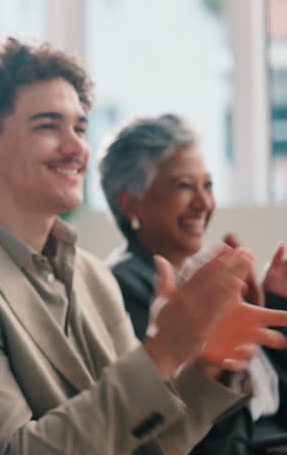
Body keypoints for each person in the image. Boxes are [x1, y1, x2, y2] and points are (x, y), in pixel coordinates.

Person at [0, 38, 287, 454]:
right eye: (49, 126)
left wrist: (210, 364)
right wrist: (163, 351)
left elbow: (153, 445)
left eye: (80, 127)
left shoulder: (92, 275)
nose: (75, 147)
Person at [101, 113, 287, 454]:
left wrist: (273, 305)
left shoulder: (203, 279)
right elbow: (183, 419)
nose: (203, 203)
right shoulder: (120, 284)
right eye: (184, 186)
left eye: (208, 185)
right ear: (130, 203)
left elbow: (273, 398)